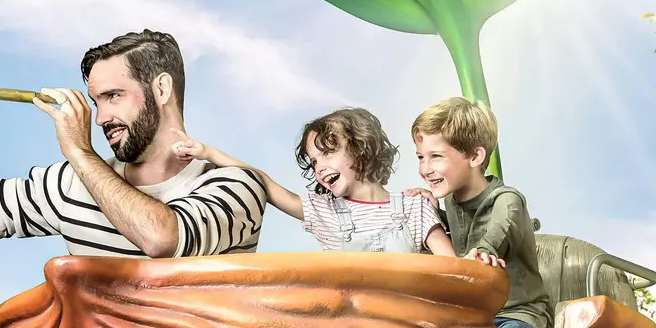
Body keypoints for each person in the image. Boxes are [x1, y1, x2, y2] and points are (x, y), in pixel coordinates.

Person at [0, 29, 267, 258]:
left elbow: (162, 239)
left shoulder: (236, 184)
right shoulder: (71, 183)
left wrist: (79, 151)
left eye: (114, 96)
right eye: (95, 101)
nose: (100, 118)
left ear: (161, 89)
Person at [173, 107, 454, 256]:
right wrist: (207, 152)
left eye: (328, 152)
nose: (320, 167)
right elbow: (264, 183)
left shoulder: (415, 207)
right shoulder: (326, 212)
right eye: (314, 161)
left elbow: (453, 272)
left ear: (361, 146)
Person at [411, 97, 552, 328]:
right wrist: (429, 214)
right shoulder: (451, 202)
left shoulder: (507, 199)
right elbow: (454, 239)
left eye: (435, 156)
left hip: (519, 320)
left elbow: (498, 231)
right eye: (420, 157)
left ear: (474, 157)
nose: (425, 169)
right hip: (474, 320)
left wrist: (484, 252)